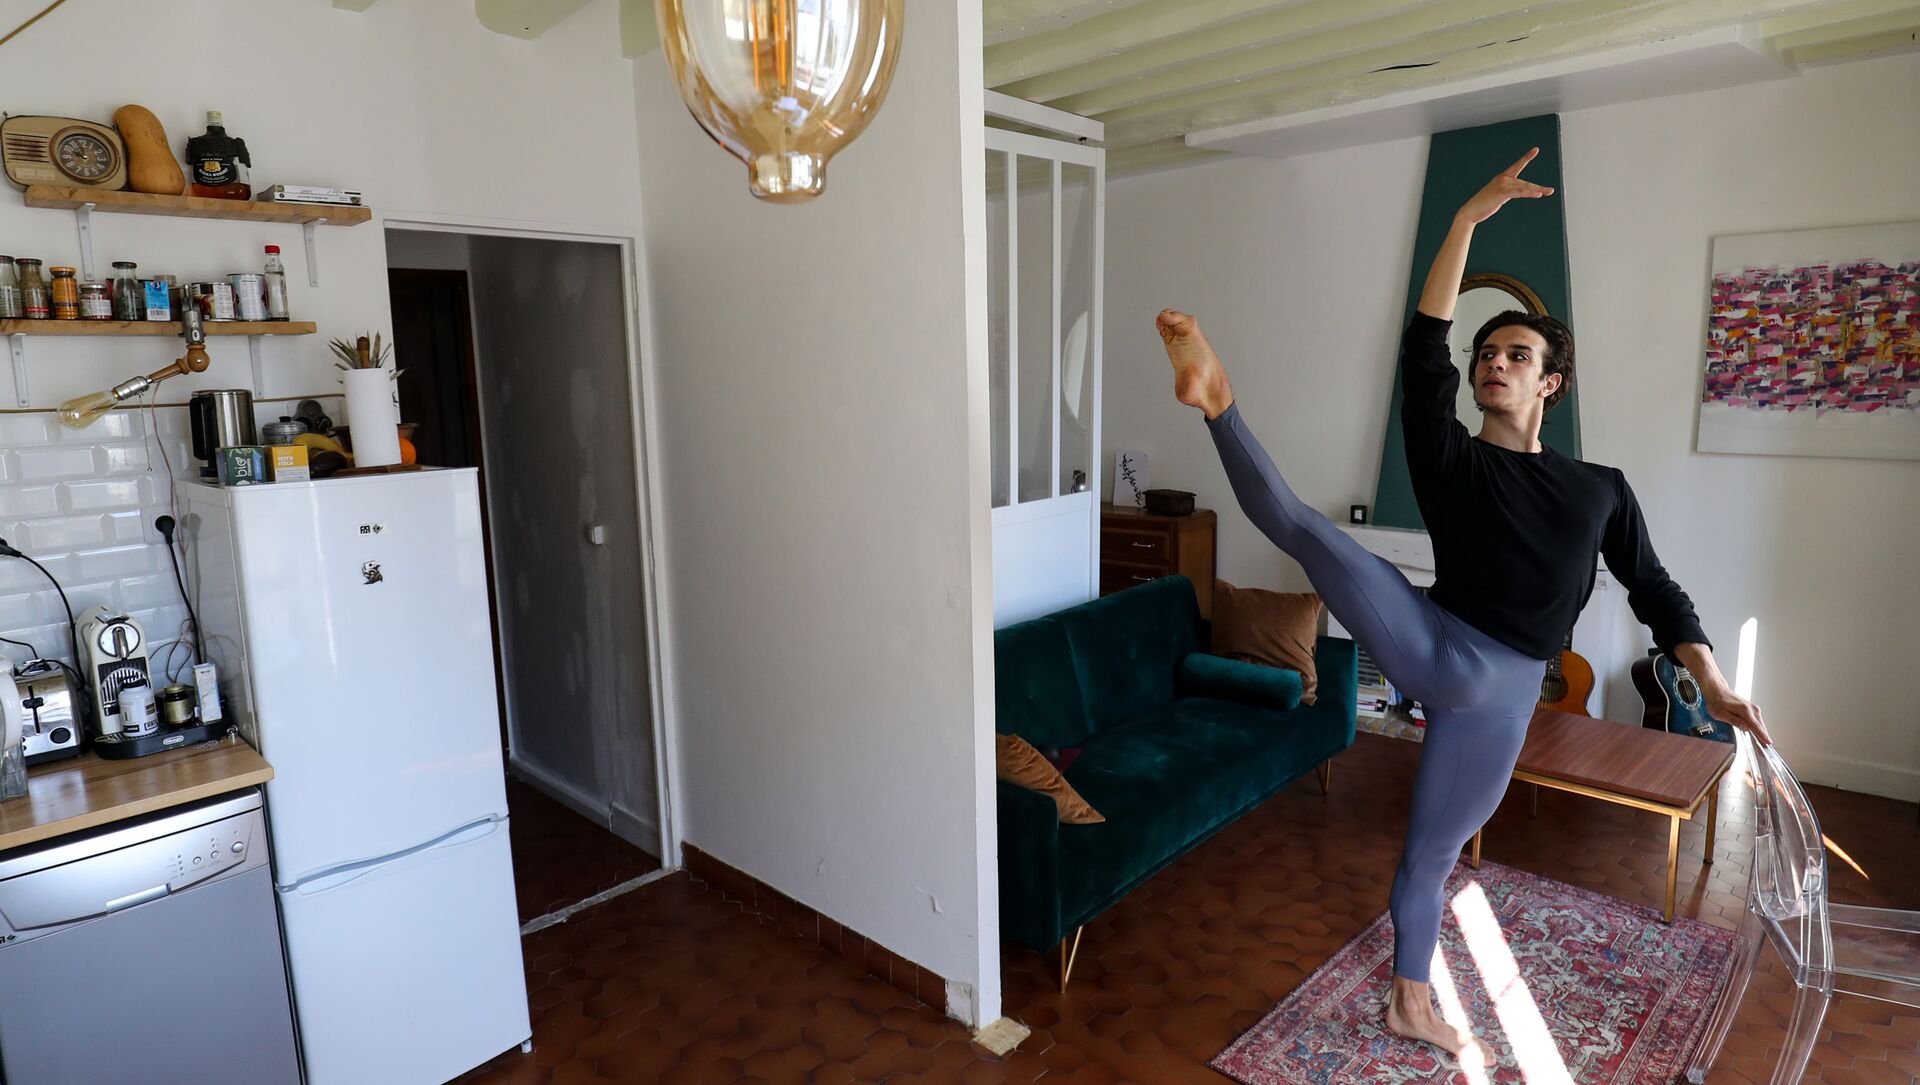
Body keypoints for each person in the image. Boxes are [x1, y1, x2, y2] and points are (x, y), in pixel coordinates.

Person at [1154, 149, 1771, 1058]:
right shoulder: (1452, 460)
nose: (1494, 364)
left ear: (1549, 382)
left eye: (1516, 355)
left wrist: (1712, 683)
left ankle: (1409, 999)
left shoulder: (1600, 490)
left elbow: (1655, 588)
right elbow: (1422, 354)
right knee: (1306, 528)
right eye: (1485, 354)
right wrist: (1462, 222)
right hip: (1430, 636)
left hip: (1503, 699)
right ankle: (1217, 403)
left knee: (1430, 855)